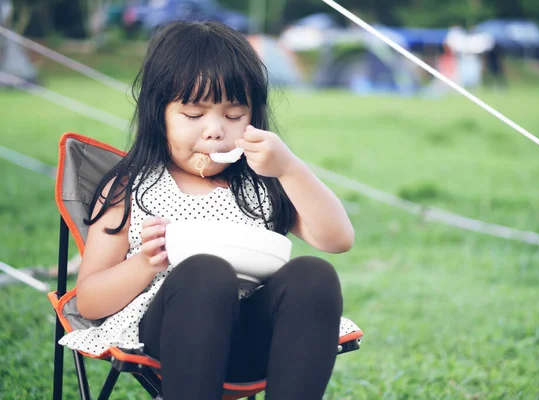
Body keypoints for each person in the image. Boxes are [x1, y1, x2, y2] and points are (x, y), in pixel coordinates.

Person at [58, 21, 355, 400]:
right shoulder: (132, 189)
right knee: (205, 270)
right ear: (158, 114)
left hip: (253, 341)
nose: (215, 131)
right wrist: (147, 263)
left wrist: (290, 168)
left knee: (315, 273)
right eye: (194, 115)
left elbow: (338, 239)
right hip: (170, 338)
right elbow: (89, 302)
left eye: (233, 116)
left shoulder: (262, 183)